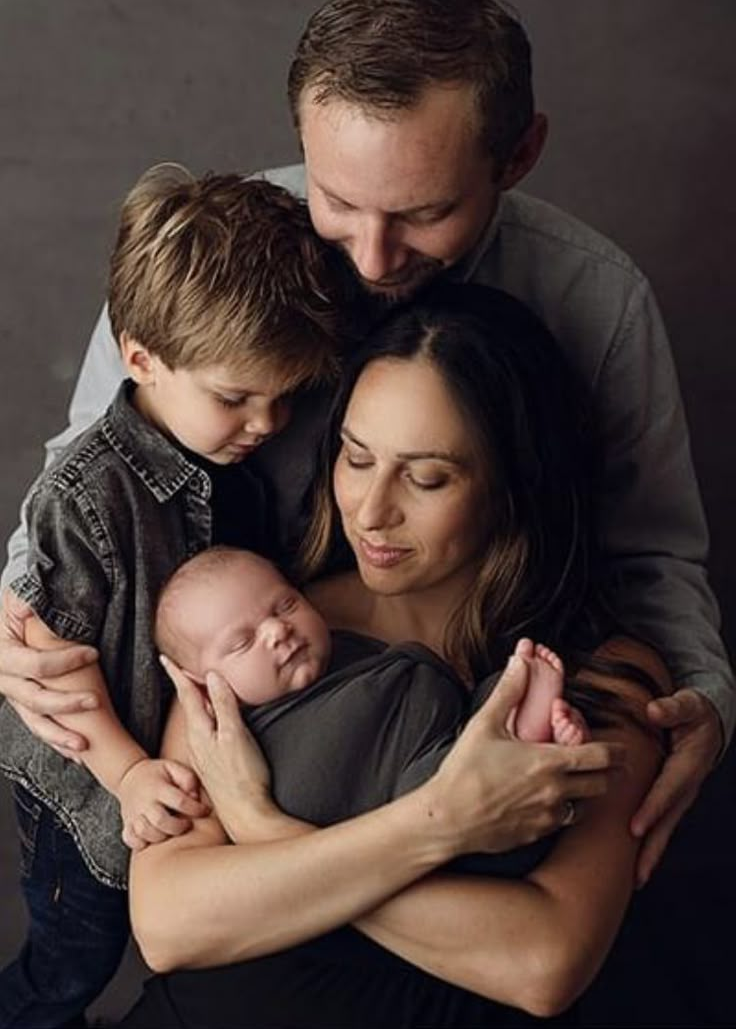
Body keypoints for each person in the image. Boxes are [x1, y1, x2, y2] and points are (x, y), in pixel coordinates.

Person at [0, 0, 731, 898]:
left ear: (519, 155)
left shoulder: (597, 300)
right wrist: (21, 616)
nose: (374, 255)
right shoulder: (205, 272)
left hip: (452, 715)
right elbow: (89, 471)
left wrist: (706, 695)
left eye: (424, 213)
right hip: (219, 734)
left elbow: (651, 555)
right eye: (337, 200)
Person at [118, 282, 667, 1029]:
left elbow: (543, 961)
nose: (370, 511)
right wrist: (439, 826)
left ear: (512, 483)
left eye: (427, 476)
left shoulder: (604, 678)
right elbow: (171, 919)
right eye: (356, 456)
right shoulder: (261, 622)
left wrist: (263, 827)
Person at [0, 165, 342, 1029]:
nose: (266, 423)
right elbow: (55, 671)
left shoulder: (234, 456)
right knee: (74, 960)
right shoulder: (86, 500)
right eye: (236, 397)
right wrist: (128, 773)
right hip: (93, 784)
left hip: (184, 774)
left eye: (283, 397)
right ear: (141, 357)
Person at [154, 544, 588, 872]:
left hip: (437, 732)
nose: (277, 630)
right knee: (436, 780)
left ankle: (520, 724)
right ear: (202, 687)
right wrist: (137, 786)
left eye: (286, 605)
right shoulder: (225, 732)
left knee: (499, 692)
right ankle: (522, 739)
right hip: (383, 795)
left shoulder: (340, 648)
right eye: (242, 642)